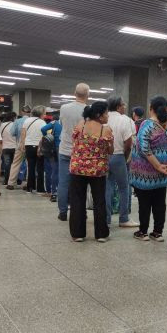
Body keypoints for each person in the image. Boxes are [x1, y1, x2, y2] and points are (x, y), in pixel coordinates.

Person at [129, 96, 167, 242]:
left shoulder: (147, 125)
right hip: (164, 172)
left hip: (145, 173)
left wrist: (157, 166)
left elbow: (143, 149)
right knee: (160, 203)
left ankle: (143, 232)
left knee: (144, 203)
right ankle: (157, 233)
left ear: (151, 108)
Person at [68, 101, 113, 242]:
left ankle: (77, 233)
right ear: (99, 115)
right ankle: (101, 234)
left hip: (77, 168)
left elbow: (75, 143)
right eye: (106, 113)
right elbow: (110, 150)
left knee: (77, 200)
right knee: (99, 200)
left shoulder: (80, 126)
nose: (108, 115)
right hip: (97, 170)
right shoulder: (105, 130)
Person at [58, 83, 90, 221]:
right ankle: (81, 211)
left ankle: (63, 212)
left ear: (74, 93)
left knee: (64, 182)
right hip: (81, 152)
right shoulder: (89, 110)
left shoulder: (64, 108)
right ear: (87, 95)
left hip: (65, 149)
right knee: (80, 184)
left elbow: (62, 124)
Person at [105, 96, 138, 228]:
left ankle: (106, 219)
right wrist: (125, 157)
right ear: (119, 107)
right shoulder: (125, 120)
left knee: (107, 187)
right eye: (123, 104)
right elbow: (129, 142)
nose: (125, 106)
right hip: (119, 156)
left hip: (105, 157)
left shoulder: (103, 118)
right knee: (124, 188)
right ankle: (123, 218)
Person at [21, 106, 47, 194]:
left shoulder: (27, 120)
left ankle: (30, 187)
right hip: (38, 147)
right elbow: (44, 136)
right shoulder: (42, 122)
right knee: (40, 168)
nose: (45, 115)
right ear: (41, 113)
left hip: (28, 145)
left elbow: (23, 133)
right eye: (44, 113)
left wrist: (23, 144)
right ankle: (40, 188)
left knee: (30, 167)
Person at [6, 105, 31, 190]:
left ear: (22, 112)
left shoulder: (17, 121)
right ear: (30, 112)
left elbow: (12, 133)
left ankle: (11, 183)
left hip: (19, 144)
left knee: (16, 163)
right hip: (30, 145)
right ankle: (28, 183)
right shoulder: (32, 121)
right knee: (29, 164)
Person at [41, 114, 62, 202]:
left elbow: (43, 129)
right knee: (64, 172)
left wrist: (48, 136)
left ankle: (54, 193)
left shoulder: (54, 123)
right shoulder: (67, 123)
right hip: (64, 149)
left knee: (54, 171)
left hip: (53, 148)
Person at [0, 111, 17, 185]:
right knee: (14, 165)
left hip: (5, 147)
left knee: (7, 164)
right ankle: (13, 181)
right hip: (14, 147)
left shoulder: (2, 125)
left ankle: (6, 180)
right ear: (13, 117)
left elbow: (0, 135)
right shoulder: (15, 124)